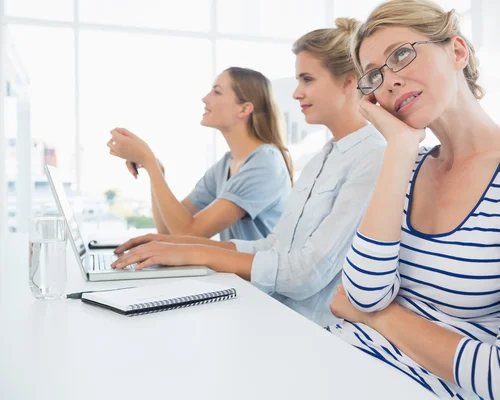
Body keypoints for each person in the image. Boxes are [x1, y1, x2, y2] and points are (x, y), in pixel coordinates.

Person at [327, 1, 500, 399]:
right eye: (374, 76)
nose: (389, 82)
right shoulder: (407, 165)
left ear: (457, 51)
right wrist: (399, 150)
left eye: (402, 54)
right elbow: (363, 295)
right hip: (338, 361)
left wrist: (381, 318)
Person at [111, 18, 387, 327]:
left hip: (310, 327)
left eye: (307, 79)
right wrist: (177, 247)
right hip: (270, 309)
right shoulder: (322, 158)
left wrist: (192, 251)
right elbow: (272, 247)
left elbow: (306, 274)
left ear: (349, 82)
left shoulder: (373, 157)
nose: (296, 93)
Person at [106, 67, 293, 242]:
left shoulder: (264, 163)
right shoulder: (225, 166)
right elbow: (168, 231)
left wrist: (148, 160)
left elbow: (188, 233)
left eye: (217, 92)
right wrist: (156, 169)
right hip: (233, 277)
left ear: (244, 109)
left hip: (257, 278)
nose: (205, 98)